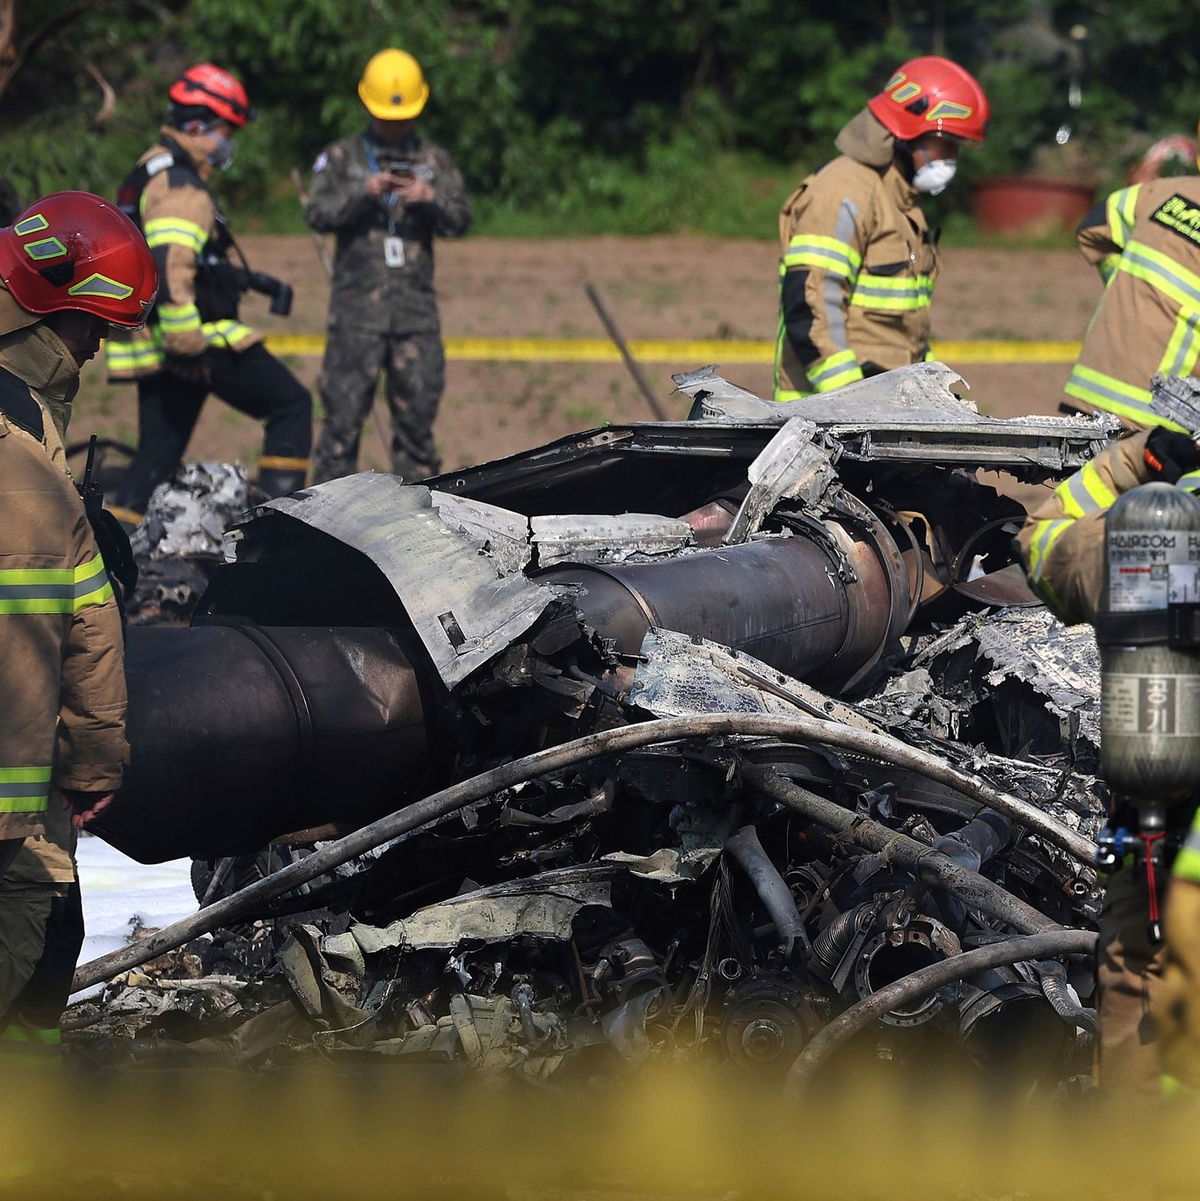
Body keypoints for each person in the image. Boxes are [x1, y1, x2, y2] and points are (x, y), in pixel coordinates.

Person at [0, 191, 156, 1062]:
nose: (98, 348)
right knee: (43, 926)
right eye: (94, 327)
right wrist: (93, 758)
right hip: (17, 786)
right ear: (49, 306)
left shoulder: (31, 392)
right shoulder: (22, 434)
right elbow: (85, 615)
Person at [1017, 423, 1200, 1100]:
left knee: (1141, 1042)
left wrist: (1134, 462)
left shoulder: (1146, 535)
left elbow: (1039, 539)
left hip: (1158, 856)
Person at [106, 63, 311, 526]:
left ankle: (118, 550)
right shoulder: (181, 187)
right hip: (194, 341)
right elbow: (170, 269)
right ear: (197, 127)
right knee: (291, 405)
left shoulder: (149, 169)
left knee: (155, 459)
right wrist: (188, 346)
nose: (227, 143)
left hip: (157, 340)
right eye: (225, 131)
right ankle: (281, 532)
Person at [773, 56, 988, 400]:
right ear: (906, 133)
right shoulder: (843, 191)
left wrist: (935, 395)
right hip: (824, 416)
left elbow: (905, 329)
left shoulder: (902, 205)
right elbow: (811, 304)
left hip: (883, 410)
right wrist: (849, 400)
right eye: (946, 143)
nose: (952, 157)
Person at [304, 48, 471, 483]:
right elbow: (316, 213)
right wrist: (364, 192)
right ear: (367, 106)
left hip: (415, 318)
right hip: (356, 317)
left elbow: (461, 220)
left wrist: (430, 199)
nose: (394, 126)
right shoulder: (342, 158)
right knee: (339, 432)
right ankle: (327, 520)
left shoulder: (435, 160)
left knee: (417, 437)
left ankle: (417, 515)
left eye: (403, 118)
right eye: (386, 117)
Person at [1065, 165, 1200, 429]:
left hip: (1093, 394)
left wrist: (1122, 286)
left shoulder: (1162, 191)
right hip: (1169, 420)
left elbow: (1093, 227)